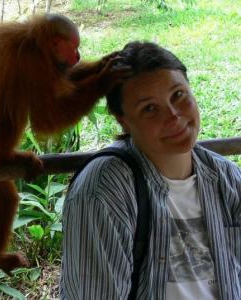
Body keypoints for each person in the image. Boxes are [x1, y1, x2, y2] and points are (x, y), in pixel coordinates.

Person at [60, 41, 241, 300]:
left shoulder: (228, 178)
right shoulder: (104, 191)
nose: (173, 116)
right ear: (123, 120)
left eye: (178, 95)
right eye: (150, 109)